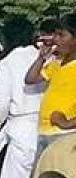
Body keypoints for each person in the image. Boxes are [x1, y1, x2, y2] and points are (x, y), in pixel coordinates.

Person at [0, 21, 48, 178]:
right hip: (45, 127)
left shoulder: (8, 63)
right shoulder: (46, 58)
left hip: (20, 127)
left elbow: (1, 104)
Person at [27, 12, 76, 150]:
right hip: (45, 132)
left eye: (61, 35)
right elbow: (31, 79)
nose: (56, 39)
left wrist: (68, 123)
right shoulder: (57, 63)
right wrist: (41, 58)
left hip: (64, 135)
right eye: (55, 35)